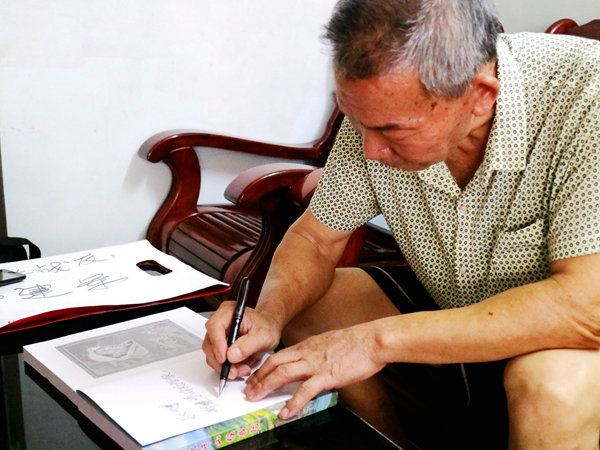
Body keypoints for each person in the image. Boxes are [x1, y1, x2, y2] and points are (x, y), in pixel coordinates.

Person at [203, 0, 600, 448]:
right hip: (456, 297)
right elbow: (315, 239)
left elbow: (586, 309)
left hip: (572, 330)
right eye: (358, 122)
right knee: (307, 307)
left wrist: (373, 342)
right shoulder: (385, 107)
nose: (371, 150)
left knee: (553, 385)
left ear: (480, 97)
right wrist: (268, 316)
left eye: (392, 131)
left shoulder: (589, 95)